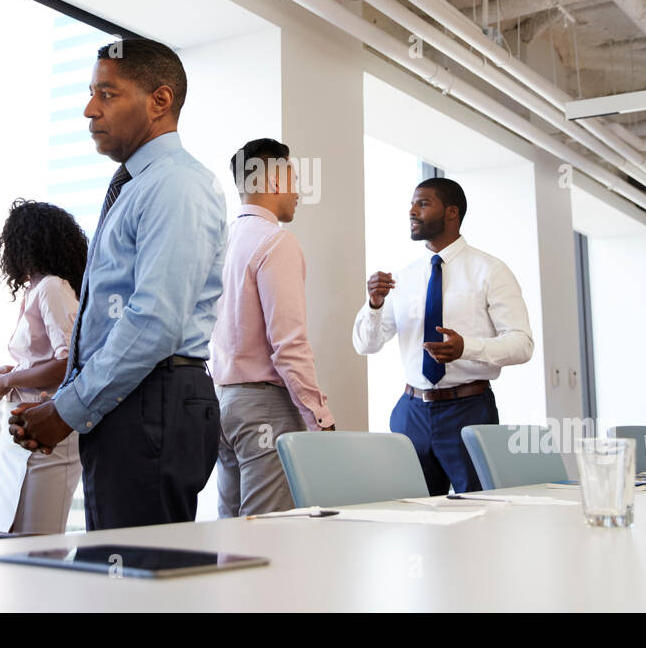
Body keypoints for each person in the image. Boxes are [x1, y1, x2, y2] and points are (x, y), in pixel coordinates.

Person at [9, 38, 225, 531]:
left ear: (160, 101)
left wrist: (68, 408)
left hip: (154, 397)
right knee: (124, 573)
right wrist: (67, 401)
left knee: (139, 581)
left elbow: (154, 320)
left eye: (107, 94)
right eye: (90, 93)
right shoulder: (138, 184)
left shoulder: (175, 183)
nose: (89, 109)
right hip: (137, 397)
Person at [353, 178, 533, 494]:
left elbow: (522, 343)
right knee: (414, 516)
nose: (412, 211)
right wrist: (374, 304)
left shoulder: (490, 270)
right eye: (412, 203)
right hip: (411, 415)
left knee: (479, 513)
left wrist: (467, 348)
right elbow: (366, 344)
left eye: (422, 203)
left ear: (451, 212)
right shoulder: (405, 277)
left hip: (468, 410)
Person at [212, 137, 334, 517]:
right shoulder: (275, 241)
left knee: (231, 529)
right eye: (294, 179)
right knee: (267, 533)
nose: (297, 192)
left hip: (223, 404)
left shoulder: (221, 243)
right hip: (265, 406)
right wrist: (320, 419)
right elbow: (289, 345)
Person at [0, 200, 87, 535]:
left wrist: (11, 378)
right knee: (8, 533)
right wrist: (7, 374)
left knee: (37, 543)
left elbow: (69, 362)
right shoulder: (39, 289)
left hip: (47, 428)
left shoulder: (53, 287)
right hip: (22, 427)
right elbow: (43, 358)